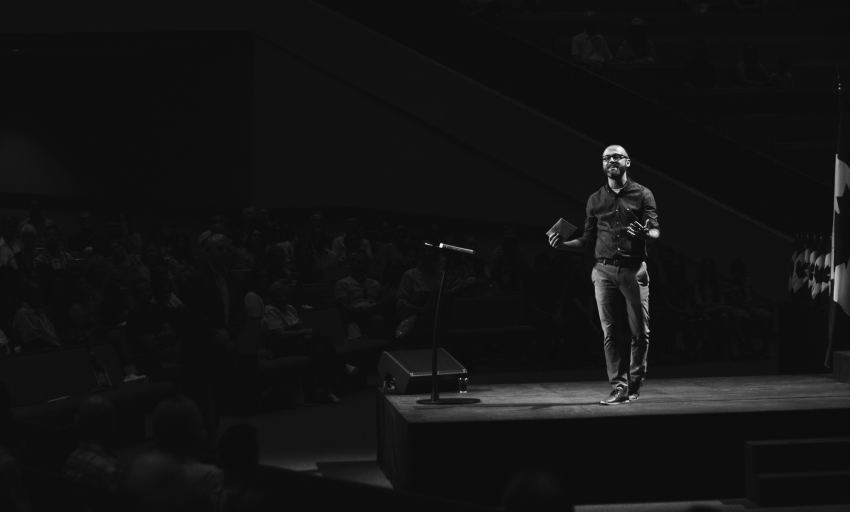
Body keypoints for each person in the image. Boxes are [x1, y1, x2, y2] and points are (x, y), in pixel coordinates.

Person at [548, 144, 660, 405]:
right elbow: (587, 240)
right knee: (609, 332)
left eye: (617, 156)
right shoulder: (595, 199)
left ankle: (634, 383)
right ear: (602, 164)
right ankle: (618, 386)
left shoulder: (643, 194)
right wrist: (563, 245)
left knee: (639, 332)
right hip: (603, 271)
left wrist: (646, 233)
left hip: (633, 271)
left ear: (627, 162)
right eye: (607, 158)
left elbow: (655, 230)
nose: (611, 160)